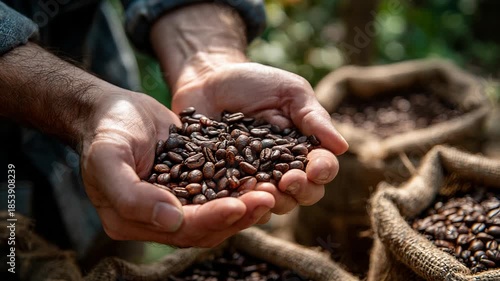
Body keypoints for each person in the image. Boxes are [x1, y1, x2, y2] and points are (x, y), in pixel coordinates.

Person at [0, 0, 348, 262]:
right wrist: (82, 107)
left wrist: (208, 59)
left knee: (119, 257)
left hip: (121, 158)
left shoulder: (169, 151)